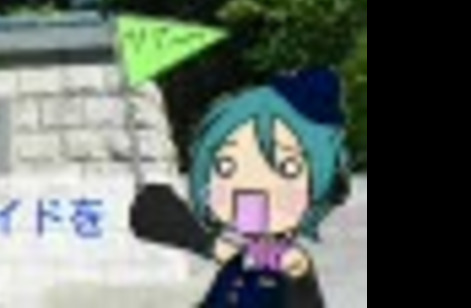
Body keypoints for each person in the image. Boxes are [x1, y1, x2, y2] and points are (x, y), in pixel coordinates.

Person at [131, 68, 352, 307]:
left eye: (287, 168)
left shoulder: (290, 265)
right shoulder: (235, 260)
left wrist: (296, 270)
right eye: (226, 166)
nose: (250, 189)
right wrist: (216, 247)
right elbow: (151, 212)